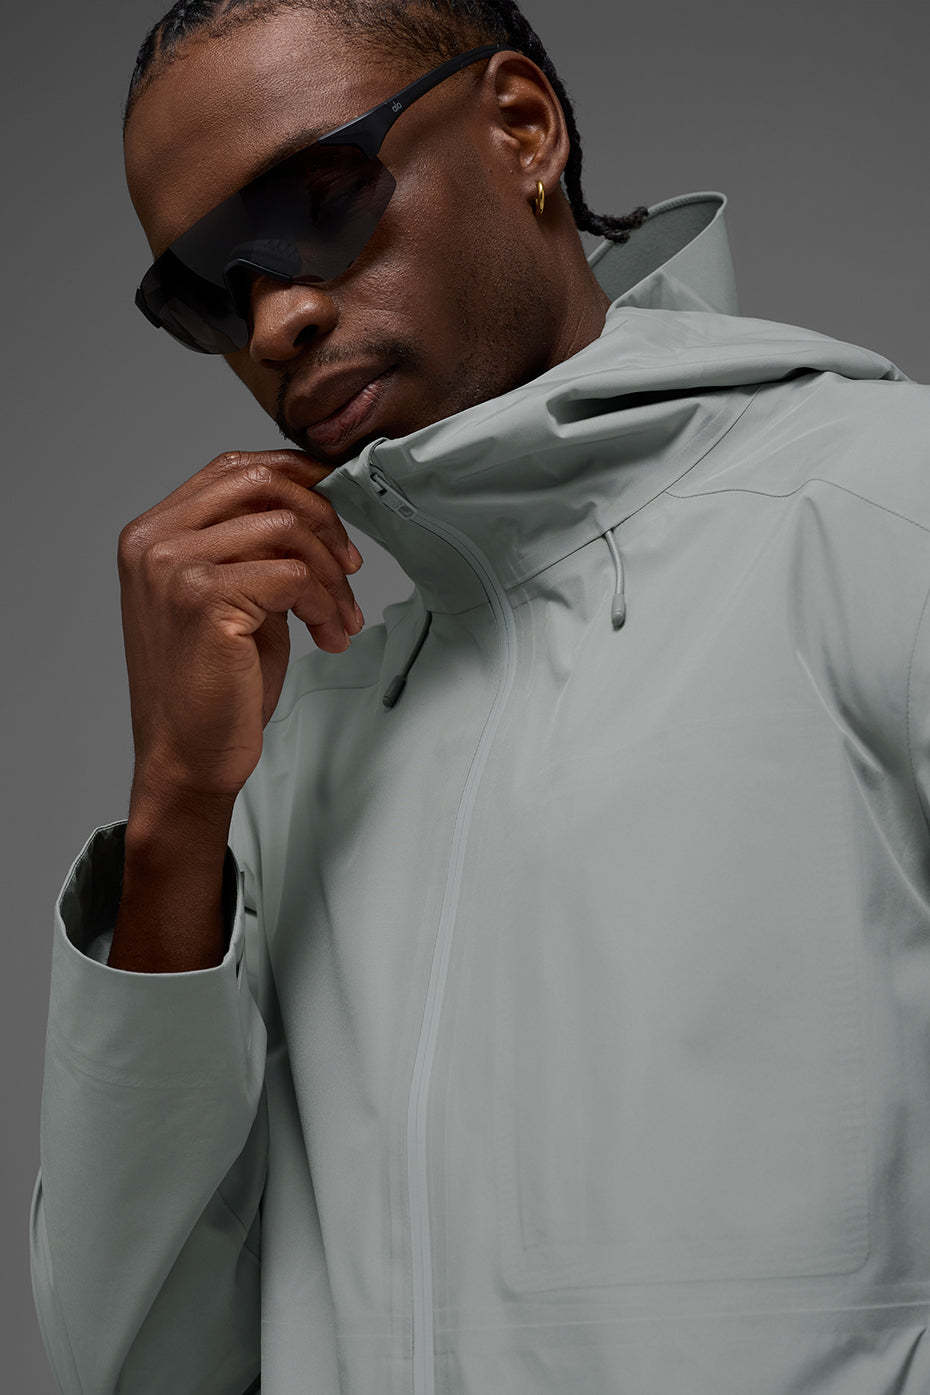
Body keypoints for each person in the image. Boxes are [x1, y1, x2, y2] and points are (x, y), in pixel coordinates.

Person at [29, 1, 930, 1393]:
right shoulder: (294, 742)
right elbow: (141, 1364)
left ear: (521, 128)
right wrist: (177, 812)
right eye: (207, 291)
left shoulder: (882, 515)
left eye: (318, 202)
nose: (276, 320)